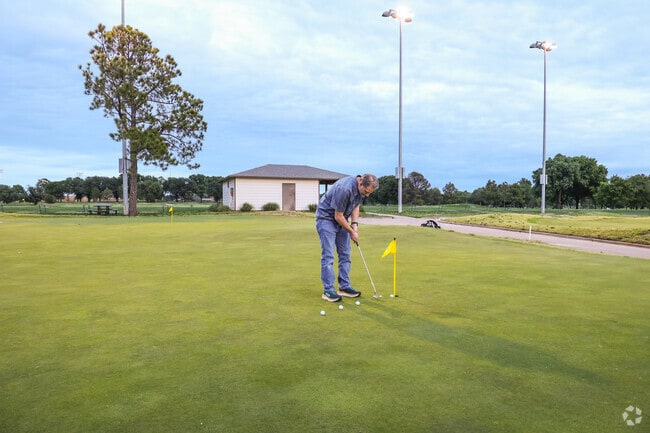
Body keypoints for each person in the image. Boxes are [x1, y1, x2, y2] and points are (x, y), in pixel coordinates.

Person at [315, 174, 379, 302]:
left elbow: (356, 205)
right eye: (366, 192)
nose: (367, 195)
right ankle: (328, 290)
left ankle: (344, 287)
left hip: (341, 218)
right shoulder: (345, 189)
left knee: (345, 254)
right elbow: (337, 216)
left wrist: (354, 225)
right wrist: (351, 232)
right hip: (326, 219)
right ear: (361, 184)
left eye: (369, 193)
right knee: (328, 256)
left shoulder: (360, 189)